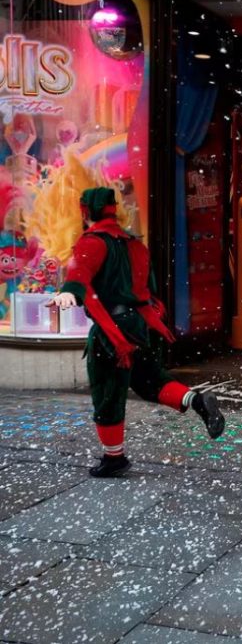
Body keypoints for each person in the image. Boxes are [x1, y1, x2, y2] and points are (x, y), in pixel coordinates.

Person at [48, 187, 224, 478]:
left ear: (85, 211)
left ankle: (113, 458)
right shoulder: (135, 245)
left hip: (112, 333)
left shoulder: (92, 242)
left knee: (108, 393)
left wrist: (69, 293)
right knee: (150, 382)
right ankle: (196, 401)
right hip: (139, 325)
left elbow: (79, 271)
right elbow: (149, 289)